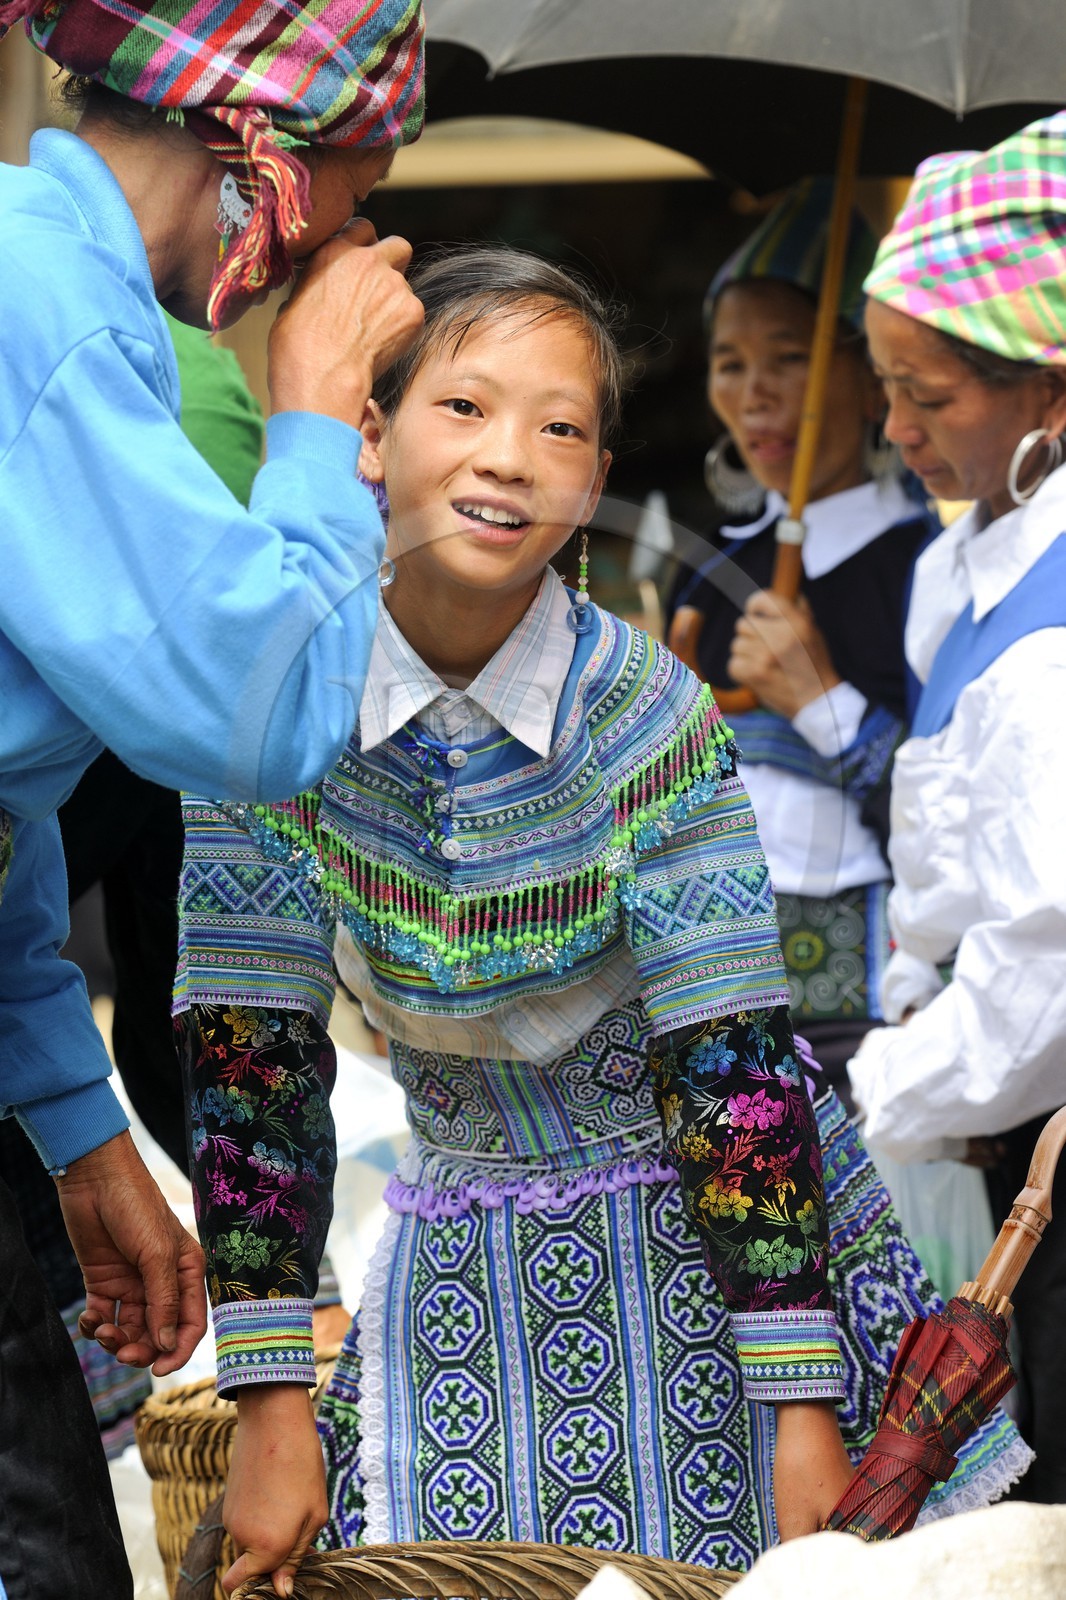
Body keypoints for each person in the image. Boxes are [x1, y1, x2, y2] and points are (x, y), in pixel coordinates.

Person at [175, 246, 1028, 1596]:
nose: (509, 455)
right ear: (368, 434)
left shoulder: (647, 716)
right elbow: (250, 1058)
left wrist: (796, 1404)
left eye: (560, 427)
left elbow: (732, 1062)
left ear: (594, 482)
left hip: (727, 1259)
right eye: (465, 407)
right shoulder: (272, 707)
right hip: (458, 1254)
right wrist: (271, 1404)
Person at [0, 2, 424, 1594]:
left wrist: (74, 1120)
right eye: (356, 184)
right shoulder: (34, 299)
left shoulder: (59, 291)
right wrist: (313, 404)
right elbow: (259, 718)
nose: (359, 235)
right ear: (257, 162)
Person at [849, 111, 1066, 1504]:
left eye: (925, 393)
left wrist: (860, 1099)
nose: (891, 427)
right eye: (884, 387)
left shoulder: (1048, 640)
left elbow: (1044, 972)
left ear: (1049, 390)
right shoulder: (978, 573)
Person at [667, 179, 935, 1101]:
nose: (758, 394)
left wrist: (820, 701)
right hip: (709, 967)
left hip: (864, 981)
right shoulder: (706, 568)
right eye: (731, 363)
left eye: (794, 356)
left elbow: (948, 811)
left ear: (873, 380)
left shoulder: (923, 568)